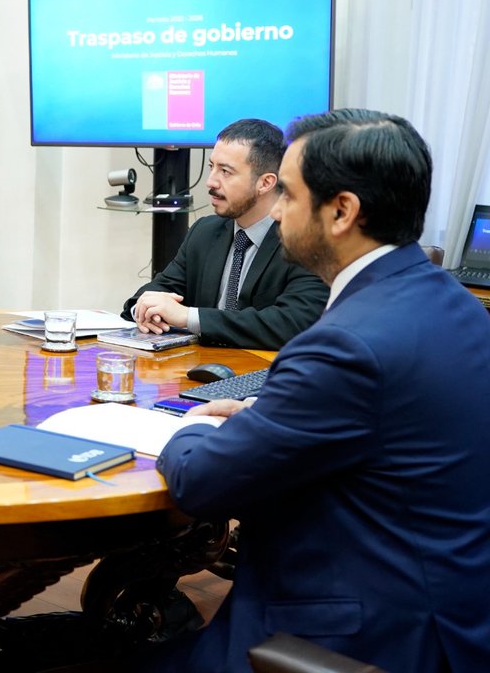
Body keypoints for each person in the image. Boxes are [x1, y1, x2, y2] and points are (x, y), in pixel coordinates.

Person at [150, 109, 490, 671]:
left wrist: (186, 426)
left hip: (353, 637)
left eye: (285, 193)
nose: (276, 209)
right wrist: (271, 412)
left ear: (341, 211)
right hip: (451, 613)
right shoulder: (453, 300)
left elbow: (202, 481)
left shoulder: (345, 345)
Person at [122, 118, 328, 350]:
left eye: (226, 172)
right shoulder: (205, 232)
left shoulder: (306, 241)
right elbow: (157, 291)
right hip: (200, 369)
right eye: (212, 167)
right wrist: (145, 309)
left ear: (266, 183)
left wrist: (189, 317)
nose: (211, 182)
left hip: (262, 375)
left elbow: (293, 323)